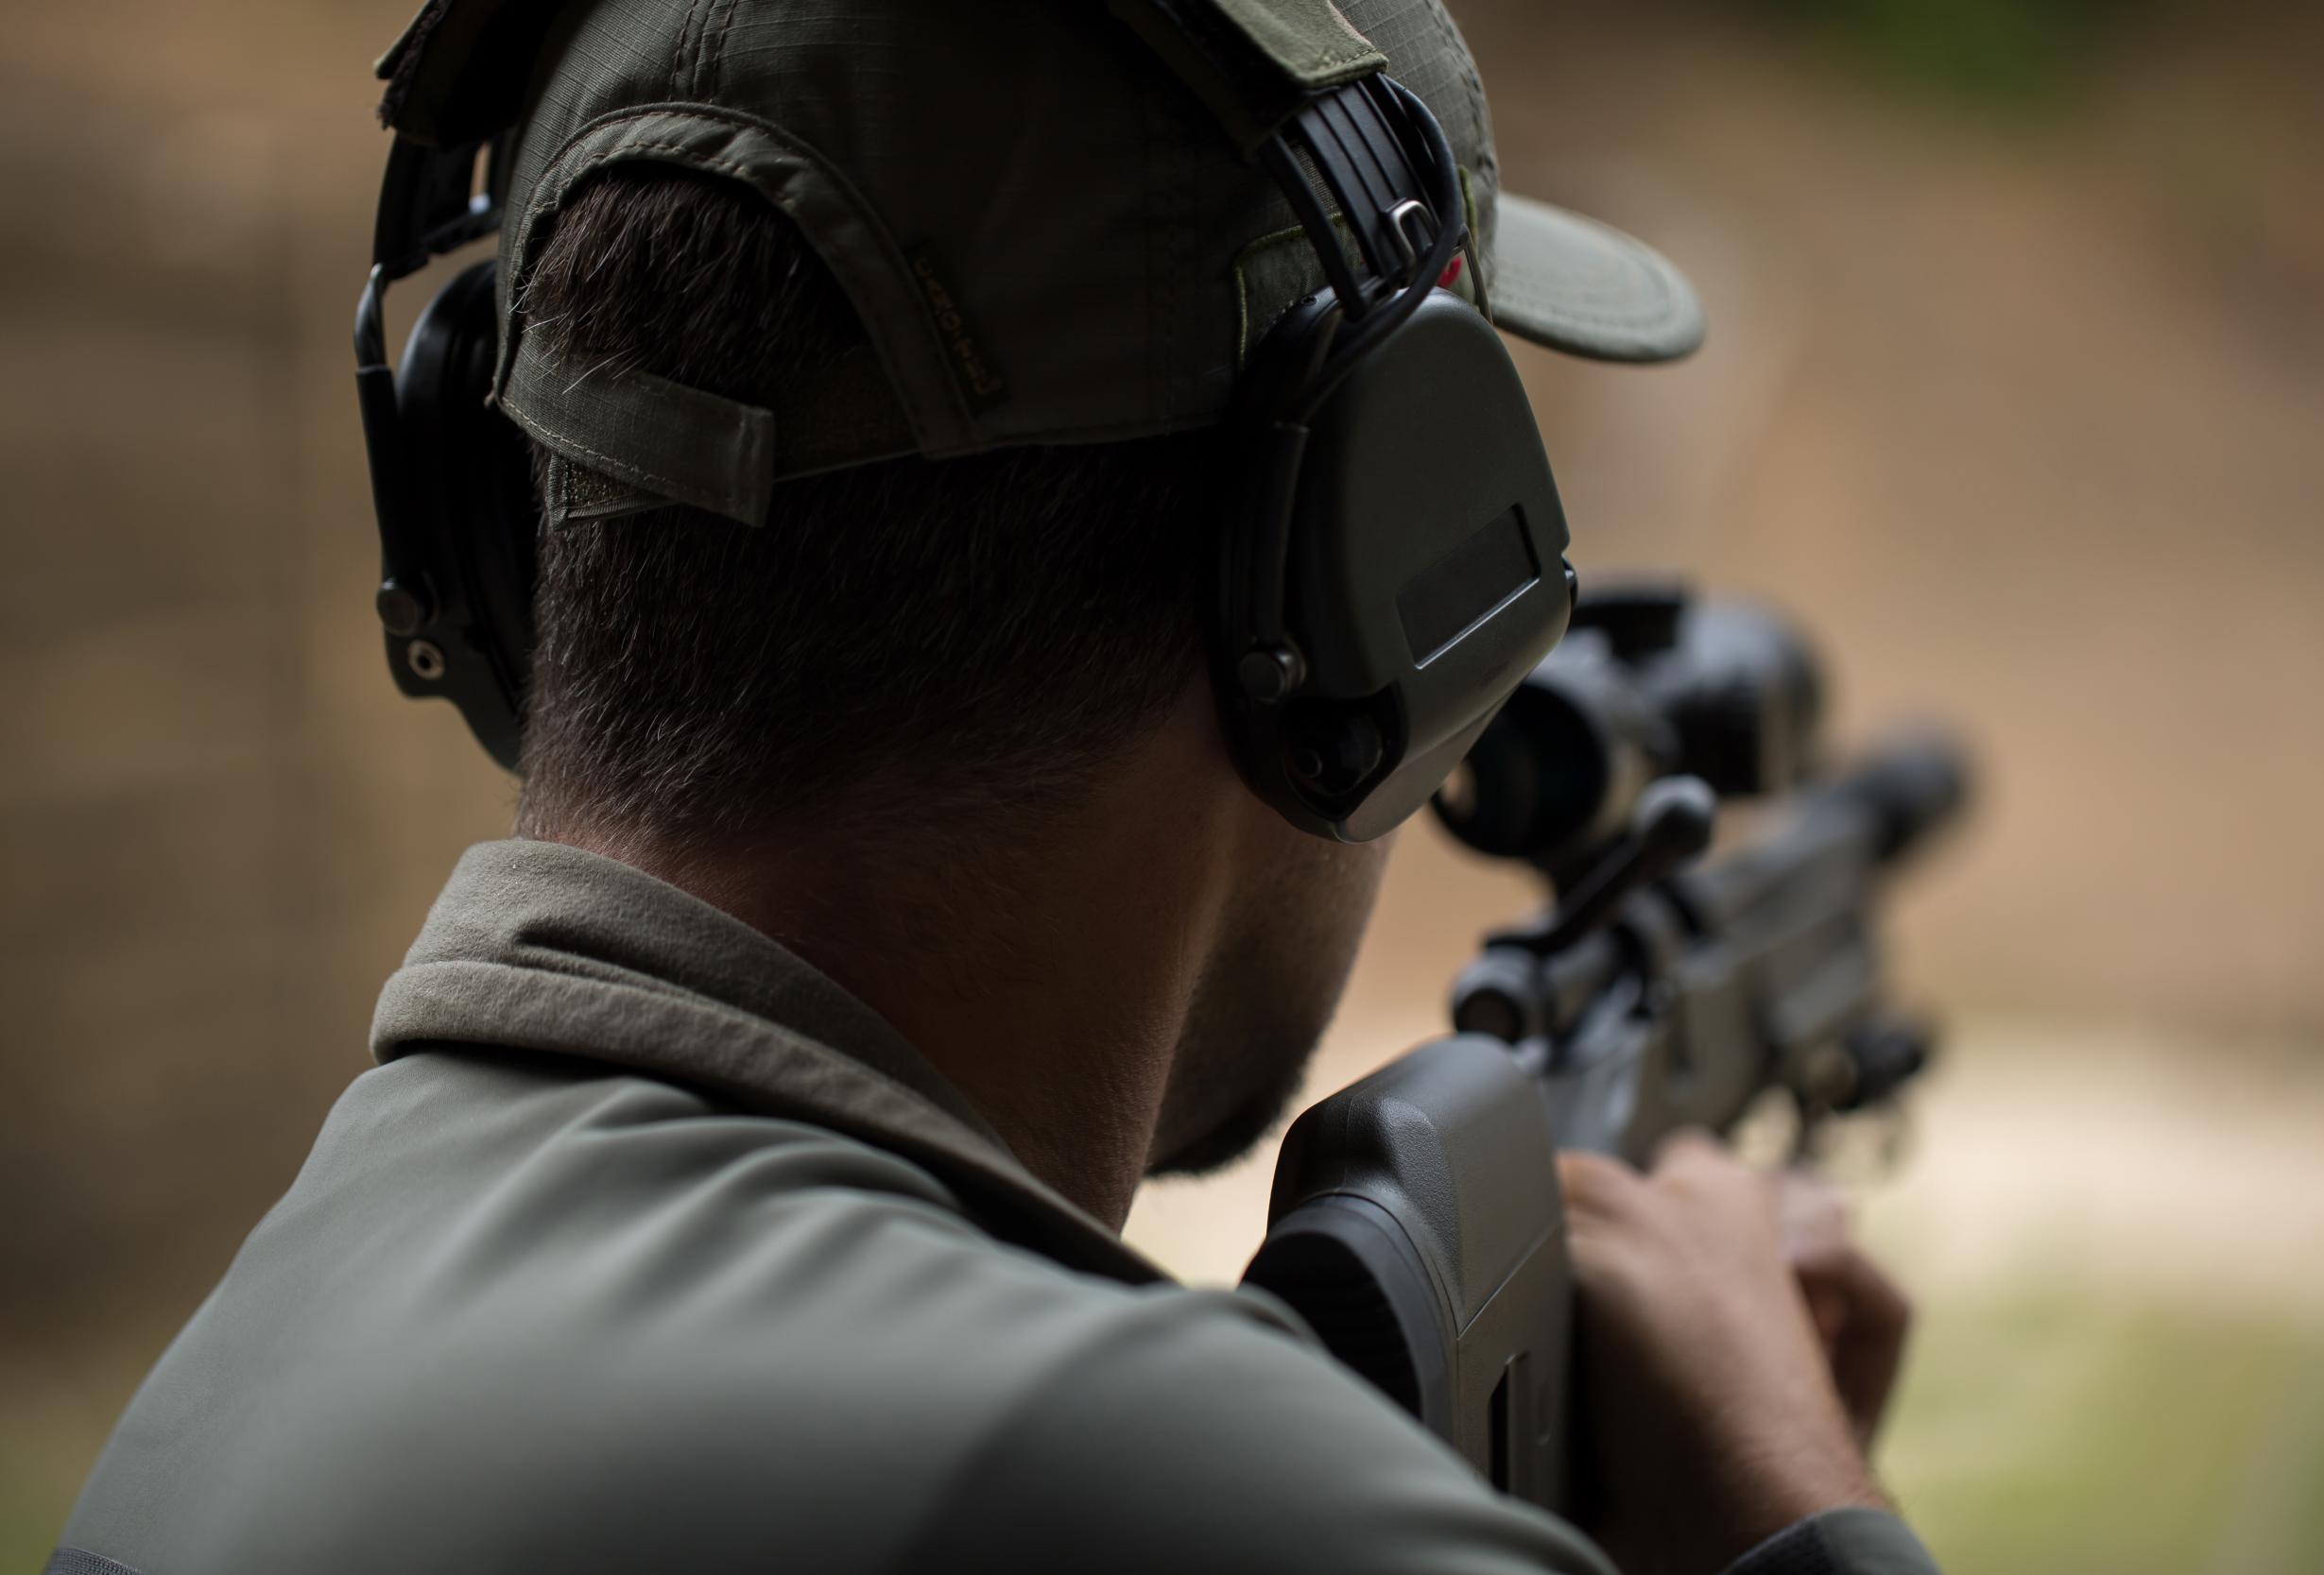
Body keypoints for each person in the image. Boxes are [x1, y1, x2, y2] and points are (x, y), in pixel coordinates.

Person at [52, 2, 1937, 1572]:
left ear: (493, 535)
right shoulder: (1158, 1494)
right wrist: (1794, 1493)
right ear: (1367, 583)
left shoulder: (253, 1352)